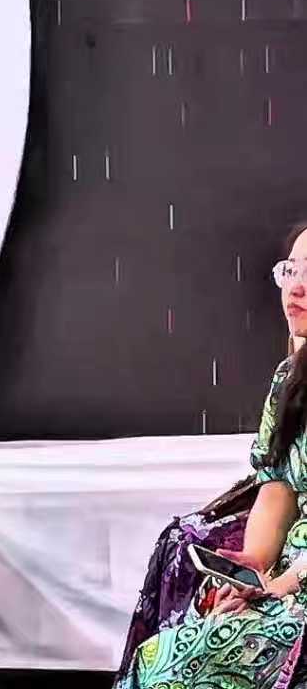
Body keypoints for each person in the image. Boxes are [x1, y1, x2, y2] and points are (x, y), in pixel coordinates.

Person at [117, 224, 307, 689]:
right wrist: (252, 567)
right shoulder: (289, 380)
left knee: (178, 668)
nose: (296, 288)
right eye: (291, 271)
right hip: (291, 573)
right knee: (163, 650)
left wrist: (279, 588)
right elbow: (276, 487)